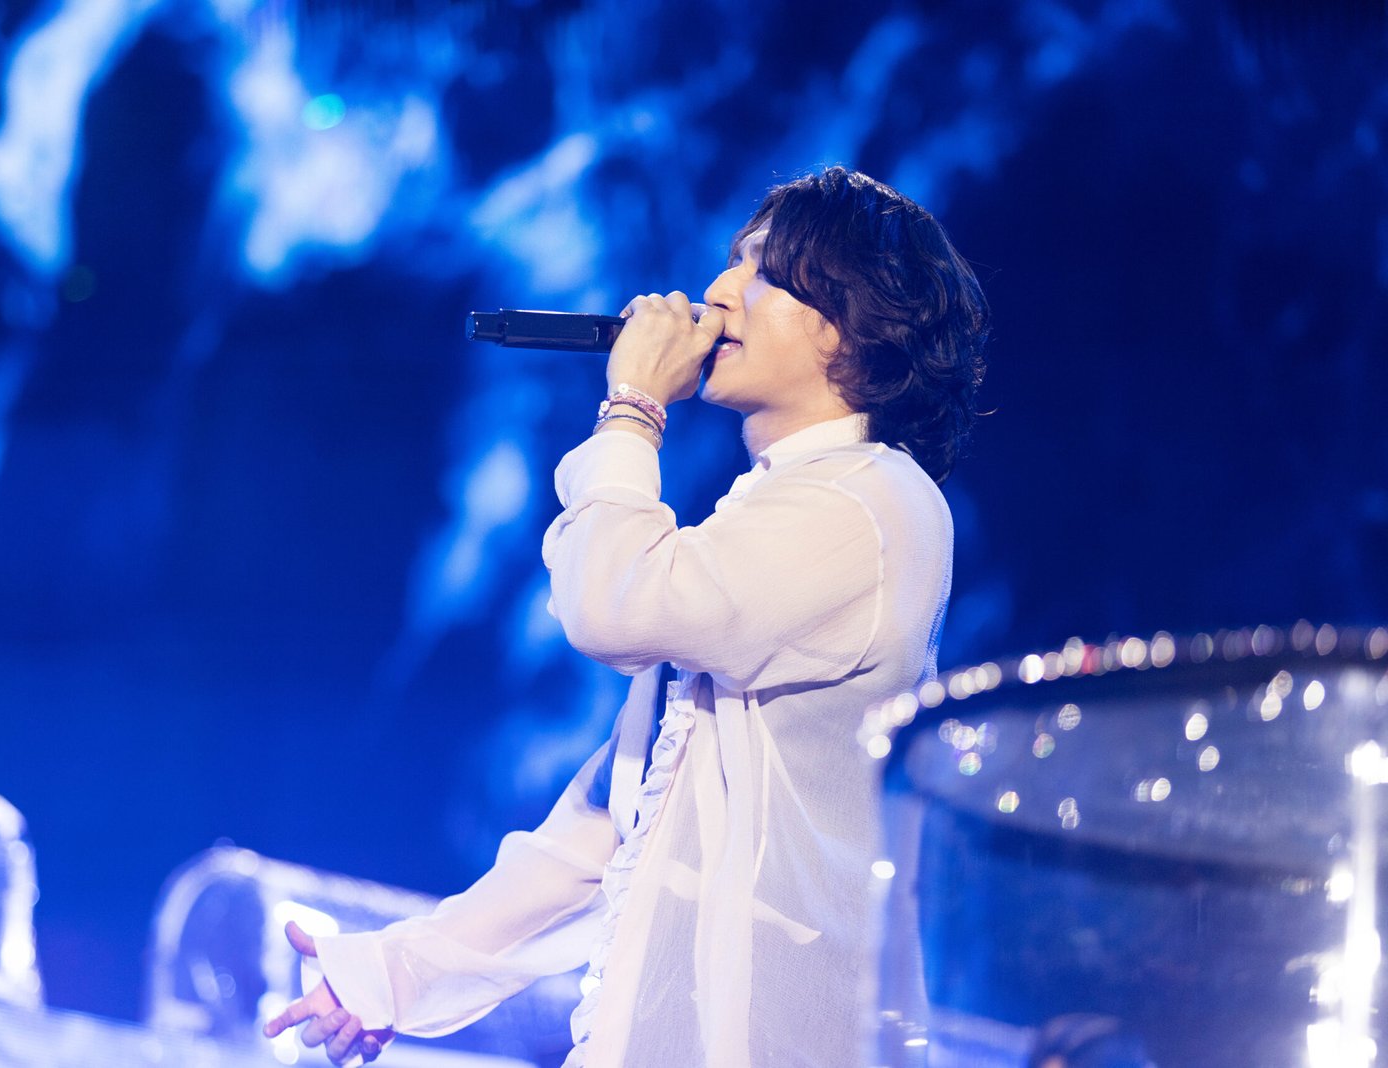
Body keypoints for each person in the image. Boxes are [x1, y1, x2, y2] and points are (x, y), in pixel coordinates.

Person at [263, 166, 989, 1067]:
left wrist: (634, 406)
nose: (718, 291)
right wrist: (390, 974)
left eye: (764, 273)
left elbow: (613, 602)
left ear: (856, 327)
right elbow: (606, 830)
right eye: (732, 261)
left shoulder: (871, 506)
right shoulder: (776, 514)